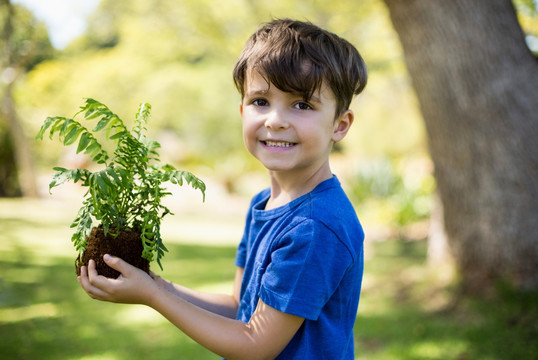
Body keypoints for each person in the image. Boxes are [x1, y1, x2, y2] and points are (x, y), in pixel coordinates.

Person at [78, 18, 368, 359]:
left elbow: (255, 343)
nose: (275, 119)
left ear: (340, 125)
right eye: (261, 101)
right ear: (242, 110)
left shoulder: (315, 227)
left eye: (302, 104)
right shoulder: (265, 203)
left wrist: (152, 297)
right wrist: (155, 284)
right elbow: (238, 308)